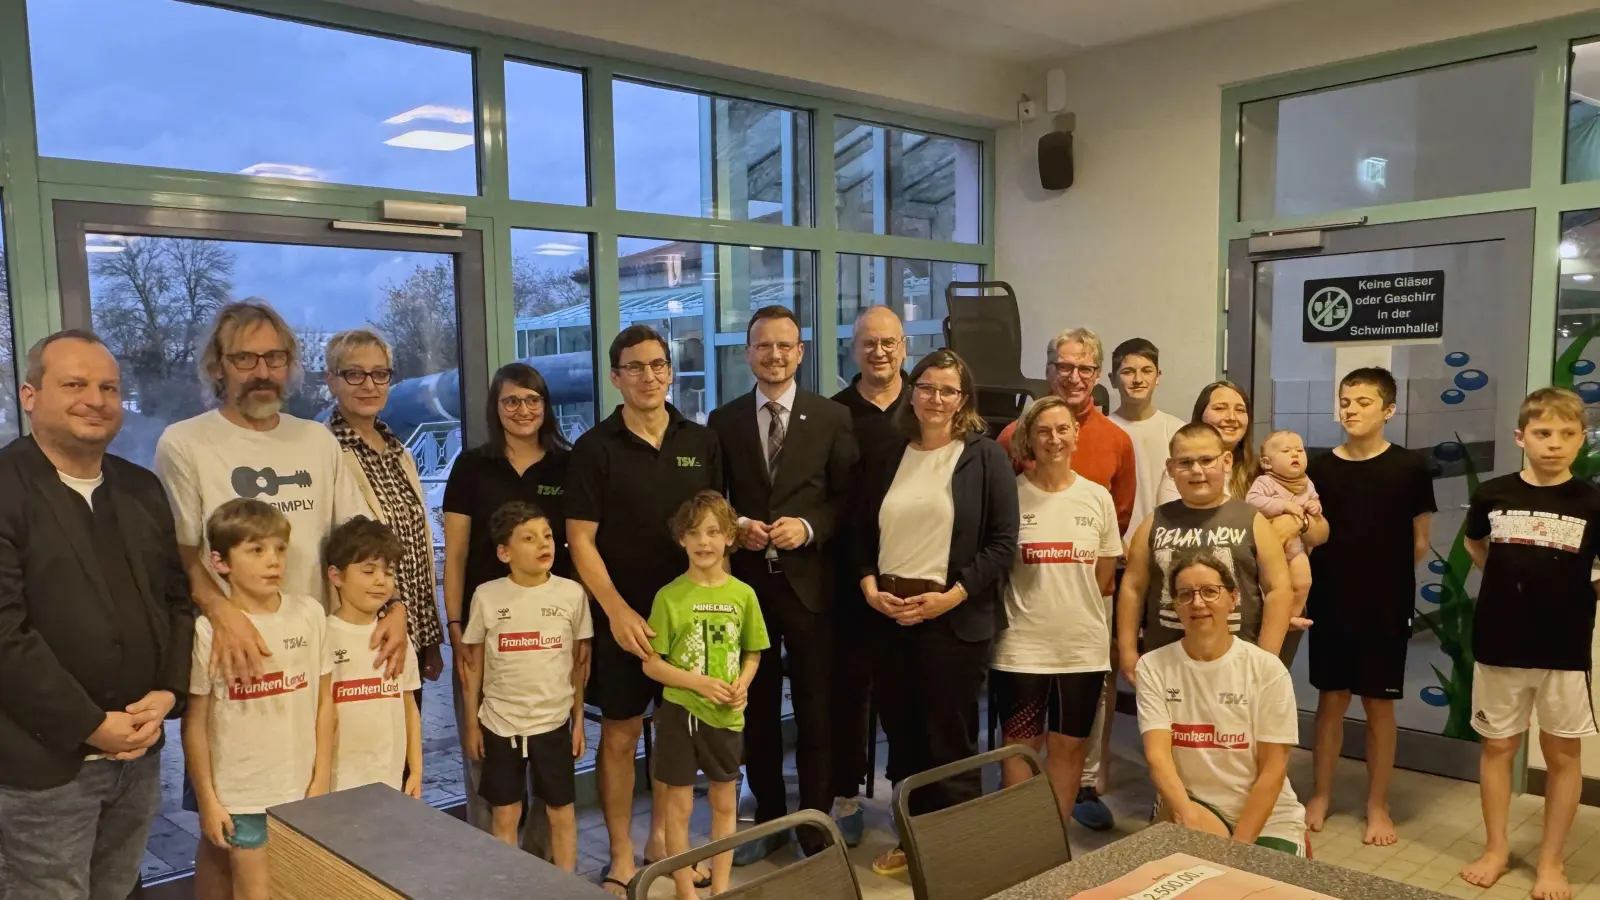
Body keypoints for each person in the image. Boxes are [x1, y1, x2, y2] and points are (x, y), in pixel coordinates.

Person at [0, 330, 195, 900]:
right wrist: (91, 725)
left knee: (117, 890)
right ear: (30, 395)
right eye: (75, 384)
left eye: (108, 387)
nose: (96, 399)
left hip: (140, 752)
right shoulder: (5, 490)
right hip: (43, 765)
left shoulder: (141, 490)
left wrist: (169, 693)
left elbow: (176, 601)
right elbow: (4, 633)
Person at [154, 300, 405, 684]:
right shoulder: (186, 443)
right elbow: (181, 553)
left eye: (274, 358)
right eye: (244, 359)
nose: (262, 372)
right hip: (238, 652)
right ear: (217, 365)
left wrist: (394, 606)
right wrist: (222, 613)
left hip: (317, 652)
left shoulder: (315, 440)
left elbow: (363, 539)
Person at [567, 325, 723, 896]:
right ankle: (622, 855)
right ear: (616, 377)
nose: (649, 376)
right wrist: (616, 611)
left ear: (670, 371)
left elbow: (716, 527)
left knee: (677, 734)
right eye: (635, 367)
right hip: (623, 619)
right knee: (619, 734)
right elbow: (580, 540)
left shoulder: (700, 442)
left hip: (689, 619)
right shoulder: (594, 449)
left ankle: (665, 844)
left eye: (658, 365)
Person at [857, 348, 1019, 876]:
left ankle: (957, 852)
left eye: (948, 390)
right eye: (926, 387)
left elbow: (1002, 543)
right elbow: (859, 532)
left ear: (963, 400)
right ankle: (913, 841)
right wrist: (869, 589)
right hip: (888, 617)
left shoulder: (984, 455)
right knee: (902, 738)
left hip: (952, 617)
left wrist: (952, 595)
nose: (935, 398)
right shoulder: (888, 452)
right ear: (912, 391)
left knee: (948, 740)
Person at [706, 305, 857, 863]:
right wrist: (738, 525)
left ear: (800, 352)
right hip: (745, 588)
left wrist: (810, 526)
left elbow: (849, 501)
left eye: (785, 346)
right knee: (757, 708)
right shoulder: (722, 422)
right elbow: (714, 496)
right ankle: (767, 816)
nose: (773, 355)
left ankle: (814, 822)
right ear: (748, 353)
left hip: (812, 587)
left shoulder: (831, 418)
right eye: (763, 346)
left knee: (817, 709)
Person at [1457, 388, 1600, 900]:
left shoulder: (1592, 501)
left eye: (1566, 434)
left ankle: (1551, 861)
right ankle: (1496, 848)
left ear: (1581, 440)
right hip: (1499, 642)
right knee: (1498, 747)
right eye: (1542, 433)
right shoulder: (1493, 493)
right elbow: (1476, 543)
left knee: (1562, 755)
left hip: (1563, 650)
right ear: (1521, 438)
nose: (1554, 444)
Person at [998, 326, 1136, 830]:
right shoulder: (1009, 493)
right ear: (1027, 439)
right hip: (1021, 647)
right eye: (1043, 431)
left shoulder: (1095, 496)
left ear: (1077, 435)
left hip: (1081, 646)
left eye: (1063, 430)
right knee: (1019, 744)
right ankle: (1020, 834)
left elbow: (1104, 575)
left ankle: (1052, 838)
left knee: (1070, 744)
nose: (1054, 438)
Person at [1303, 367, 1435, 846]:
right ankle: (1320, 793)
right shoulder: (1318, 469)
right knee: (1331, 701)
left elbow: (1420, 541)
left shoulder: (1411, 467)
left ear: (1388, 410)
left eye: (1362, 402)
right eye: (1345, 401)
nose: (1351, 409)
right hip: (1331, 600)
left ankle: (1377, 805)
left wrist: (1385, 580)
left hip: (1385, 603)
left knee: (1380, 705)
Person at [443, 362, 572, 846]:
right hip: (485, 629)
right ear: (496, 409)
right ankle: (490, 857)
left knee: (547, 751)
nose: (523, 410)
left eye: (532, 400)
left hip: (546, 631)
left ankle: (537, 859)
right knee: (486, 749)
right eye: (512, 401)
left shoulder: (566, 463)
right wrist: (454, 624)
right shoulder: (472, 466)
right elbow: (455, 554)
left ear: (545, 406)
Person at [183, 499, 334, 900]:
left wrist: (320, 778)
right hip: (243, 796)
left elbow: (324, 704)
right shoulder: (206, 632)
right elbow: (195, 723)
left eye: (280, 549)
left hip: (302, 791)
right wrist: (208, 801)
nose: (274, 561)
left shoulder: (310, 614)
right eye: (256, 550)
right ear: (220, 561)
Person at [1136, 550, 1309, 856]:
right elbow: (1157, 757)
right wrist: (1186, 815)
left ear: (1233, 598)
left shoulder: (1266, 669)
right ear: (1175, 604)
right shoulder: (1153, 666)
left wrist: (1237, 851)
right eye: (1185, 594)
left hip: (1267, 817)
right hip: (1193, 806)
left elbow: (1273, 767)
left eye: (1210, 592)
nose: (1198, 603)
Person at [642, 491, 768, 899]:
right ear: (681, 539)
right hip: (680, 715)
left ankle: (722, 886)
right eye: (694, 533)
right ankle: (685, 889)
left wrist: (742, 684)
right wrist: (697, 683)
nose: (704, 541)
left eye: (714, 532)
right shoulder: (668, 597)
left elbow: (753, 651)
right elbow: (652, 664)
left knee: (725, 805)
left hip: (726, 717)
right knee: (678, 808)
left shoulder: (743, 595)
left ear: (730, 537)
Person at [460, 501, 590, 872]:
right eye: (528, 538)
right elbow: (474, 669)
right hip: (500, 723)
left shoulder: (571, 594)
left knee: (561, 812)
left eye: (547, 536)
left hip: (553, 723)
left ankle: (566, 886)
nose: (543, 544)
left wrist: (578, 721)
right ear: (505, 552)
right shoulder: (487, 596)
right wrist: (472, 723)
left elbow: (579, 666)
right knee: (505, 814)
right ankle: (512, 886)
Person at [827, 305, 912, 844]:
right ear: (853, 348)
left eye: (889, 342)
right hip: (847, 577)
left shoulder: (926, 406)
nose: (879, 352)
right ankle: (845, 794)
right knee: (849, 692)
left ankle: (906, 793)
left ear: (903, 346)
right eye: (868, 343)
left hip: (912, 578)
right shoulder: (833, 413)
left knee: (905, 693)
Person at [1117, 423, 1294, 680]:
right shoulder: (1154, 522)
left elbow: (1279, 589)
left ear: (1226, 461)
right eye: (1185, 462)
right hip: (1165, 662)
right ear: (1170, 469)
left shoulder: (1251, 519)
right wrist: (1128, 651)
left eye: (1206, 460)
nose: (1197, 471)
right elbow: (1132, 588)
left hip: (1239, 664)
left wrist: (1266, 658)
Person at [324, 329, 445, 693]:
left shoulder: (399, 452)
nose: (369, 385)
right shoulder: (323, 452)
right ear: (332, 380)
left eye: (380, 374)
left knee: (407, 740)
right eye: (354, 374)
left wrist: (429, 636)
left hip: (411, 629)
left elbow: (418, 554)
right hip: (362, 630)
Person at [324, 517, 422, 797]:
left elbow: (409, 706)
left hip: (387, 781)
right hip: (336, 786)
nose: (381, 580)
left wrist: (415, 770)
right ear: (336, 576)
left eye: (388, 572)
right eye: (368, 571)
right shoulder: (324, 637)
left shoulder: (397, 639)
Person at [1108, 338, 1186, 544]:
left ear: (1158, 376)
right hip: (1117, 550)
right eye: (1127, 372)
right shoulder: (1104, 431)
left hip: (1169, 545)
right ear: (1112, 379)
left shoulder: (1178, 430)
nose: (1137, 379)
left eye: (1146, 370)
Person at [1245, 431, 1320, 630]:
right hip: (1270, 549)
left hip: (1296, 548)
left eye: (1300, 450)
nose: (1295, 455)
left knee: (1303, 582)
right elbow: (1252, 501)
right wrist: (1284, 506)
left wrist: (1315, 507)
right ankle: (1274, 616)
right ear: (1267, 463)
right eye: (1286, 451)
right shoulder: (1266, 482)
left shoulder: (1306, 483)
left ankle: (1291, 616)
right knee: (1270, 588)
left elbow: (1314, 500)